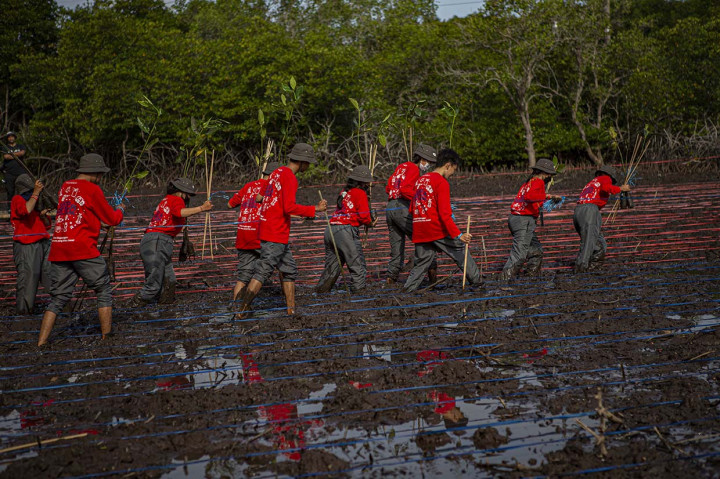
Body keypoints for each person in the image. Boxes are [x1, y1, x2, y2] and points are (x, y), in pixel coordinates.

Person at [37, 153, 124, 347]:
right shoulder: (92, 189)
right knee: (103, 289)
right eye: (100, 174)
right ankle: (107, 337)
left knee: (58, 298)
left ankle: (41, 343)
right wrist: (120, 209)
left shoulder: (66, 186)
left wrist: (96, 224)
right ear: (94, 172)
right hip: (82, 248)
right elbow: (112, 219)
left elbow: (78, 211)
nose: (101, 178)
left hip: (59, 247)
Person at [237, 143, 327, 317]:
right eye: (308, 163)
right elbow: (289, 208)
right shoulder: (290, 178)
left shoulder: (276, 172)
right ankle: (241, 309)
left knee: (290, 269)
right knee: (264, 270)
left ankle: (291, 310)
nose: (308, 167)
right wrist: (315, 209)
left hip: (269, 229)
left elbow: (259, 197)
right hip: (275, 233)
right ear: (302, 162)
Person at [403, 149, 481, 292]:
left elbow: (412, 208)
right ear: (447, 165)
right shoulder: (442, 182)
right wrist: (459, 235)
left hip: (419, 228)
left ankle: (407, 290)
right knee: (459, 248)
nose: (452, 174)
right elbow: (445, 214)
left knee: (422, 262)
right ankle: (477, 282)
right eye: (453, 170)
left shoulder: (421, 180)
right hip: (435, 227)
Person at [132, 178, 213, 306]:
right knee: (153, 285)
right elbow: (179, 212)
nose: (187, 198)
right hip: (158, 241)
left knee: (170, 281)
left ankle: (164, 309)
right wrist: (202, 208)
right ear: (181, 192)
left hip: (156, 241)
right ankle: (131, 308)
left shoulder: (166, 200)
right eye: (187, 195)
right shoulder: (176, 199)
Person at [315, 165, 376, 294]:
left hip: (331, 229)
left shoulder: (344, 191)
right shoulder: (360, 193)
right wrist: (371, 223)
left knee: (332, 267)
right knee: (356, 264)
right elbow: (364, 217)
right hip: (346, 231)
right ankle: (359, 292)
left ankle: (321, 292)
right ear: (363, 182)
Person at [499, 158, 562, 282]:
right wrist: (549, 196)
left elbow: (533, 200)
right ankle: (503, 282)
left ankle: (530, 279)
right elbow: (529, 197)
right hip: (523, 220)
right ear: (546, 173)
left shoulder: (529, 182)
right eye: (550, 174)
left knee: (536, 251)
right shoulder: (538, 182)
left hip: (517, 219)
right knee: (519, 254)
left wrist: (544, 201)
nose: (550, 177)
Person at [385, 144, 438, 284]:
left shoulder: (401, 166)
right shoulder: (414, 168)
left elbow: (388, 186)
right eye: (429, 162)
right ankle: (433, 279)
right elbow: (405, 189)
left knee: (396, 248)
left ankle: (390, 280)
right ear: (422, 159)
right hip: (401, 207)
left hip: (390, 207)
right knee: (425, 238)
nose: (429, 166)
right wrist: (421, 199)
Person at [228, 162, 279, 301]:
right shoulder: (272, 187)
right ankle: (286, 303)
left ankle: (236, 308)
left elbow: (230, 204)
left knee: (243, 277)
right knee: (282, 264)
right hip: (260, 236)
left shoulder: (248, 186)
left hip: (243, 236)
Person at [573, 165, 631, 273]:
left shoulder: (592, 182)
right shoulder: (605, 178)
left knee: (599, 244)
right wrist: (621, 189)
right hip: (590, 210)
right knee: (588, 242)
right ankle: (581, 269)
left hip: (578, 211)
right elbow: (606, 188)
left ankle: (592, 267)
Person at [10, 174, 52, 314]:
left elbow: (46, 225)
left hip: (43, 242)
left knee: (50, 275)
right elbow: (25, 210)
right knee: (28, 278)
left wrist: (42, 216)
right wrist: (35, 193)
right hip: (26, 245)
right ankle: (24, 312)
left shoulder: (36, 203)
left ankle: (59, 305)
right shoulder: (17, 200)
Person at [2, 131, 28, 212]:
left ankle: (25, 207)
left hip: (21, 172)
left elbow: (22, 153)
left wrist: (12, 154)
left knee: (23, 190)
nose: (11, 138)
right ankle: (10, 209)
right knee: (10, 191)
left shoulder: (20, 146)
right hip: (9, 173)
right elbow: (6, 156)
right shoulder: (5, 147)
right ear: (7, 138)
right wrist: (17, 154)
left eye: (12, 136)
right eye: (9, 137)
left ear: (15, 137)